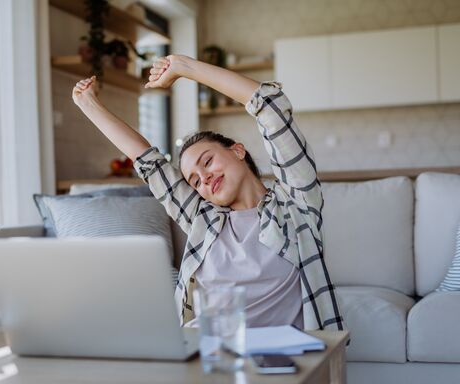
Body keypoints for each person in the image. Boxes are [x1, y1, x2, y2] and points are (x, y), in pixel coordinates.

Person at [72, 54, 347, 332]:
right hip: (205, 355)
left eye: (207, 162)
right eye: (194, 181)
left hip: (278, 361)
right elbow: (147, 161)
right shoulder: (203, 218)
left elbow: (270, 107)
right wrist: (88, 103)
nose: (204, 178)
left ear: (238, 151)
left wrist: (184, 68)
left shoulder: (295, 205)